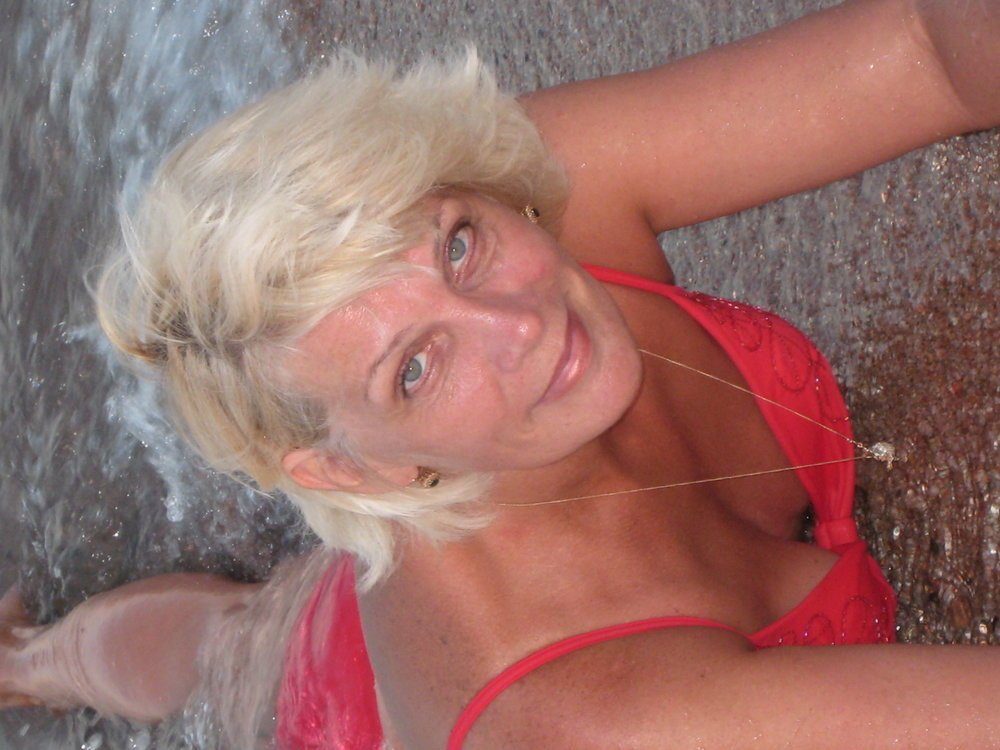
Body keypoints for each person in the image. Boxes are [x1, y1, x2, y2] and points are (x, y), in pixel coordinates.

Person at [2, 0, 999, 747]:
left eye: (456, 246)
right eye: (415, 369)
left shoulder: (538, 197)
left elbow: (926, 46)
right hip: (370, 710)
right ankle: (35, 662)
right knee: (237, 648)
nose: (517, 324)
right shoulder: (584, 715)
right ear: (352, 469)